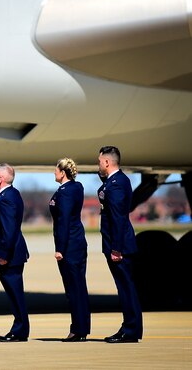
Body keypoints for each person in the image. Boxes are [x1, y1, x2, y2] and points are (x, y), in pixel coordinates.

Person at [97, 146, 143, 343]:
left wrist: (116, 248)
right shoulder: (115, 181)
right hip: (118, 244)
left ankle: (131, 330)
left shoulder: (116, 184)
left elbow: (117, 218)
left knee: (126, 289)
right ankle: (130, 328)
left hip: (119, 246)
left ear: (107, 162)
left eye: (100, 162)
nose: (98, 165)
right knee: (124, 288)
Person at [49, 158, 91, 342]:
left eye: (56, 170)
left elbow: (64, 220)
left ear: (62, 173)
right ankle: (82, 328)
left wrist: (60, 249)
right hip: (78, 242)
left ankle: (77, 330)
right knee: (80, 287)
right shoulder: (77, 187)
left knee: (73, 289)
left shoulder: (65, 192)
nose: (54, 173)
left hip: (69, 246)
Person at [0, 163, 29, 342]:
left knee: (15, 292)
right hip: (7, 248)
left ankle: (20, 330)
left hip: (10, 253)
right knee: (13, 293)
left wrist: (3, 254)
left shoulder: (7, 197)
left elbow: (10, 229)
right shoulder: (8, 195)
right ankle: (19, 328)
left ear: (1, 179)